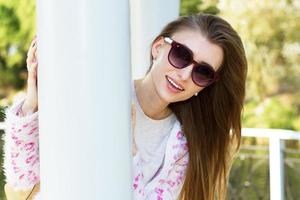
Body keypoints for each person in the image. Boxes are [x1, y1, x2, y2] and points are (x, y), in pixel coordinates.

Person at [3, 13, 247, 200]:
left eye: (202, 72)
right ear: (158, 48)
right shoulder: (98, 93)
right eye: (181, 55)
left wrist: (127, 151)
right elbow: (23, 181)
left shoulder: (181, 147)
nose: (184, 74)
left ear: (204, 86)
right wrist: (32, 103)